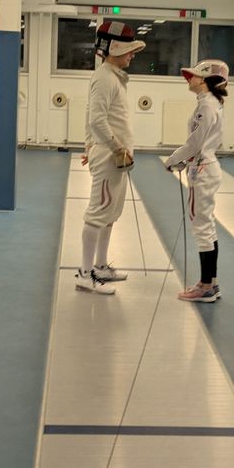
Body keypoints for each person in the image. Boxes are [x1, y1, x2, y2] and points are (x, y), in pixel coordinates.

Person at [76, 21, 146, 295]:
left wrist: (89, 146)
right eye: (128, 50)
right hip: (110, 158)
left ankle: (101, 266)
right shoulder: (104, 78)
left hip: (113, 157)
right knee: (97, 214)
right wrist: (115, 148)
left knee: (111, 213)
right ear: (114, 48)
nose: (132, 55)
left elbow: (92, 117)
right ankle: (84, 274)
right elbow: (96, 120)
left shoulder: (113, 77)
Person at [165, 59, 229, 302]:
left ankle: (205, 287)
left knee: (202, 227)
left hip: (202, 170)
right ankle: (211, 282)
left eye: (192, 75)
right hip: (203, 166)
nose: (188, 79)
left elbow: (195, 143)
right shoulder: (209, 103)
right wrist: (185, 160)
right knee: (207, 226)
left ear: (204, 80)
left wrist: (172, 159)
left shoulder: (207, 107)